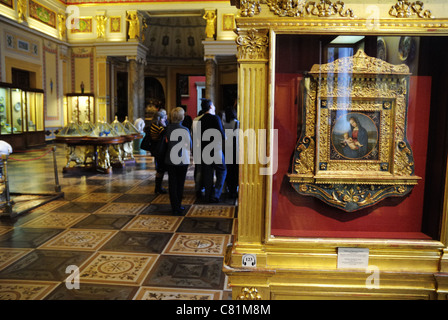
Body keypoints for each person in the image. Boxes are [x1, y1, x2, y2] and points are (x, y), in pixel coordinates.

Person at [164, 107, 192, 215]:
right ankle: (178, 206)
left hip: (170, 159)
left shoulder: (167, 128)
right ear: (182, 117)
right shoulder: (184, 130)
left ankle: (174, 206)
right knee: (180, 184)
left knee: (172, 183)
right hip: (182, 160)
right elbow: (189, 145)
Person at [198, 99, 227, 203]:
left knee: (208, 174)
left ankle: (208, 195)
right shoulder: (215, 118)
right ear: (210, 107)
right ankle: (216, 194)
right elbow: (222, 135)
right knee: (222, 171)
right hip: (216, 149)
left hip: (205, 150)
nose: (214, 107)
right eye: (213, 105)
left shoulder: (200, 120)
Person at [145, 109, 168, 194]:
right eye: (163, 118)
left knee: (159, 170)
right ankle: (158, 188)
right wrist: (164, 125)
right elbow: (166, 132)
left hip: (156, 150)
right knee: (160, 170)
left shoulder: (152, 125)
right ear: (159, 119)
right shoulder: (158, 127)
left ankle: (158, 187)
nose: (165, 119)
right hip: (159, 151)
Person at [222, 107, 239, 199]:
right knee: (235, 171)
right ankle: (234, 190)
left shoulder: (224, 124)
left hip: (226, 150)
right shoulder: (237, 123)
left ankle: (230, 189)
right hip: (235, 150)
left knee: (228, 171)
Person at [192, 109, 205, 199]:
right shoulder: (202, 120)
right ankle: (200, 187)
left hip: (196, 147)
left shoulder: (195, 121)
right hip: (202, 146)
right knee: (201, 170)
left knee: (198, 168)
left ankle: (197, 187)